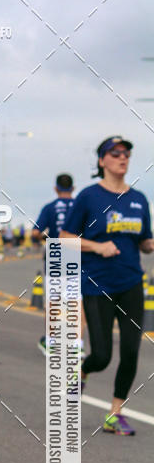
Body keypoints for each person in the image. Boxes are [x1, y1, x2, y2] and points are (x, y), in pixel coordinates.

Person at [61, 136, 154, 435]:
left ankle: (115, 413)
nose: (122, 158)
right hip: (96, 284)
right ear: (102, 161)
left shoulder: (139, 199)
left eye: (126, 153)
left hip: (130, 283)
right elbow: (64, 238)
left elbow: (145, 242)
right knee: (102, 355)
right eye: (115, 153)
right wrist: (96, 247)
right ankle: (84, 371)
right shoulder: (89, 197)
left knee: (130, 351)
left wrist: (150, 244)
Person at [33, 173, 78, 356]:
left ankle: (51, 341)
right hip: (76, 253)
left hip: (55, 255)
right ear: (73, 188)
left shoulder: (50, 208)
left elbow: (35, 233)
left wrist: (48, 237)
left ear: (56, 189)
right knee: (74, 300)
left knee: (54, 300)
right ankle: (73, 342)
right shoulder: (79, 205)